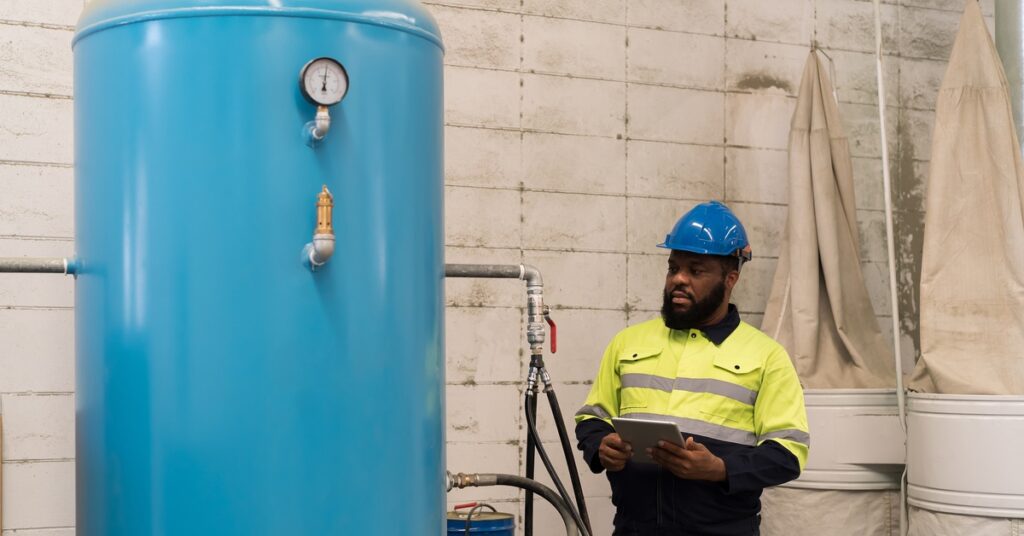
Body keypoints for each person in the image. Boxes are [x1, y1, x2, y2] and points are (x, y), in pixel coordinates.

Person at [575, 201, 809, 536]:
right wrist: (600, 445)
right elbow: (591, 417)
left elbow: (787, 453)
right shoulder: (627, 343)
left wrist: (720, 468)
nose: (679, 280)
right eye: (673, 268)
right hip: (634, 528)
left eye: (695, 271)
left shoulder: (767, 356)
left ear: (730, 278)